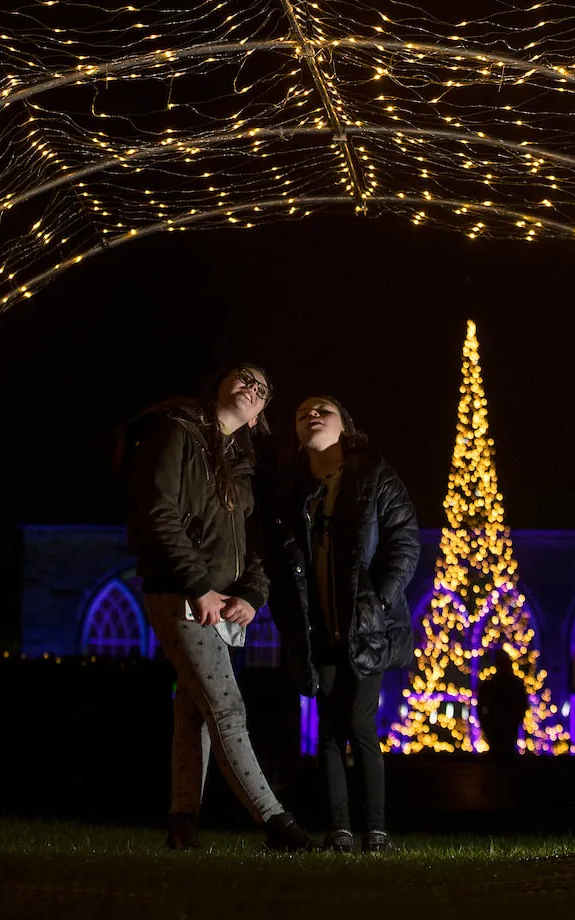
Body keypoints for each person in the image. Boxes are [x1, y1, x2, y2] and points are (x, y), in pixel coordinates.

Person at [124, 365, 311, 853]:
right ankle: (276, 823)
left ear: (259, 418)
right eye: (244, 378)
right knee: (227, 709)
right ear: (219, 387)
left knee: (193, 711)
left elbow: (256, 544)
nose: (253, 388)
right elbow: (158, 513)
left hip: (220, 605)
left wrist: (251, 594)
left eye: (262, 390)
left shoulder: (243, 466)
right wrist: (199, 587)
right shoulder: (176, 432)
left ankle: (182, 823)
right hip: (180, 593)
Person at [264, 396, 419, 854]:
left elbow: (404, 542)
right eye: (301, 412)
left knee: (357, 719)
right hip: (318, 629)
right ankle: (340, 831)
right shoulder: (289, 489)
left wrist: (377, 601)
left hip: (368, 627)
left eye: (323, 409)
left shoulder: (374, 476)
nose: (311, 414)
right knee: (328, 727)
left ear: (344, 425)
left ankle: (376, 830)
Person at [476, 646, 528, 763]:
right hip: (498, 728)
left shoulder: (510, 685)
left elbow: (522, 706)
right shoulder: (496, 685)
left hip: (504, 728)